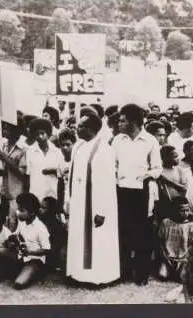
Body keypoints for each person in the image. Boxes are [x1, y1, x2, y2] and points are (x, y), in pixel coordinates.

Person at [67, 112, 120, 286]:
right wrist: (69, 201)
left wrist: (102, 211)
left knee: (98, 240)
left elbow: (106, 183)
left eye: (81, 126)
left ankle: (99, 277)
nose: (77, 128)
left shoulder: (105, 150)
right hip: (79, 203)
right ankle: (78, 274)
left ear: (90, 129)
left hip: (96, 205)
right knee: (78, 237)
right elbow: (72, 177)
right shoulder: (79, 146)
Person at [112, 104, 162, 285]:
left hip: (142, 191)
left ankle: (142, 273)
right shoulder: (117, 140)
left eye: (123, 120)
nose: (119, 123)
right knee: (123, 230)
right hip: (121, 190)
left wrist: (146, 176)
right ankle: (124, 270)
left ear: (134, 121)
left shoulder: (150, 141)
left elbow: (157, 169)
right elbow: (113, 164)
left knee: (143, 232)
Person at [12, 193, 51, 290]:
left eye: (22, 211)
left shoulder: (41, 228)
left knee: (19, 283)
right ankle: (18, 270)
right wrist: (12, 240)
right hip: (20, 256)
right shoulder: (21, 222)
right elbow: (15, 235)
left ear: (32, 213)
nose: (18, 213)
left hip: (35, 260)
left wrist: (29, 252)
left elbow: (46, 250)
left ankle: (34, 273)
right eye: (18, 209)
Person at [157, 197, 193, 281]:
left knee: (182, 278)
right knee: (162, 275)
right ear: (175, 210)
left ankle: (179, 271)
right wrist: (164, 257)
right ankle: (168, 270)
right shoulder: (166, 222)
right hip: (167, 258)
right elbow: (159, 242)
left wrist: (185, 259)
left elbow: (192, 246)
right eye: (182, 210)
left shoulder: (191, 225)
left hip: (183, 259)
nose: (185, 213)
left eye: (187, 210)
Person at [0, 121, 27, 232]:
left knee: (13, 223)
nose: (4, 131)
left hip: (16, 192)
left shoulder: (23, 149)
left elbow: (21, 172)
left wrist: (6, 159)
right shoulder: (4, 146)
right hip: (4, 191)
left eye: (7, 129)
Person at [26, 118, 63, 202]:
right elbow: (28, 175)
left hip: (52, 196)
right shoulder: (30, 151)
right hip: (35, 195)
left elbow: (62, 174)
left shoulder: (57, 152)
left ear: (48, 134)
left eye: (42, 133)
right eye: (37, 134)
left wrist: (54, 171)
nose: (40, 137)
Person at [39, 197, 67, 271]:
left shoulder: (55, 225)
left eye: (43, 208)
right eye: (40, 207)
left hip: (52, 254)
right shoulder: (40, 221)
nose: (40, 209)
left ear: (51, 211)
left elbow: (56, 246)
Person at [57, 128, 76, 217]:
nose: (65, 148)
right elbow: (60, 186)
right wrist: (60, 207)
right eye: (62, 145)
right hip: (66, 200)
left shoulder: (78, 161)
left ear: (74, 145)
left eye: (68, 145)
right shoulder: (60, 162)